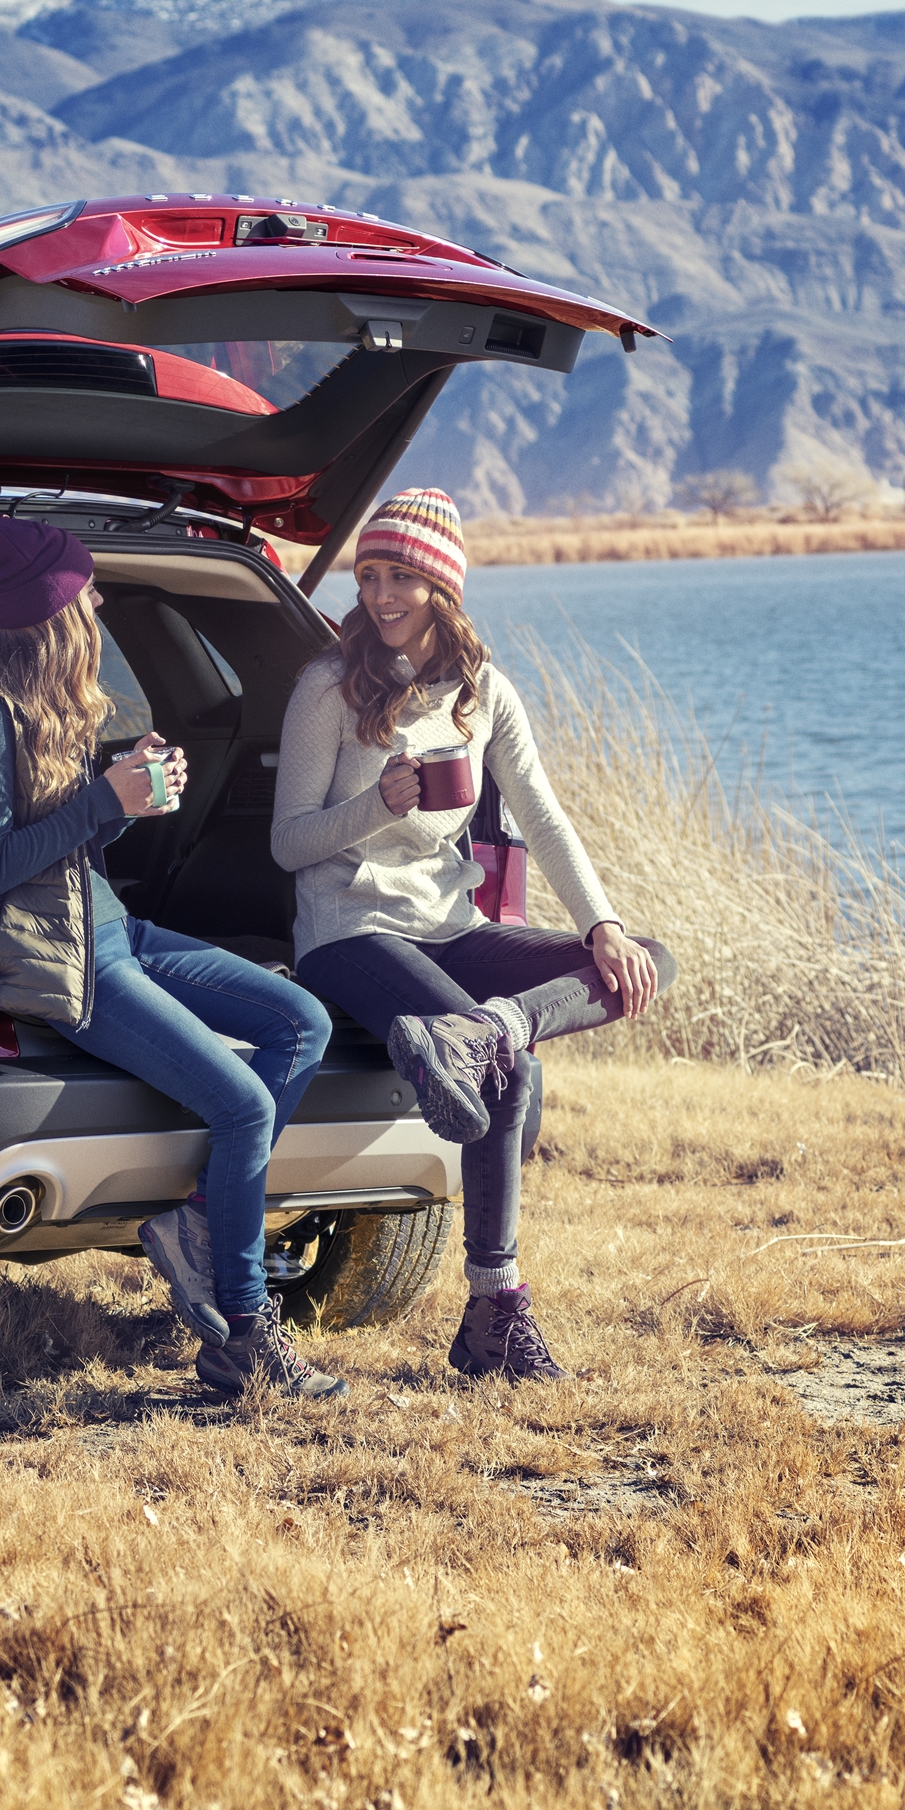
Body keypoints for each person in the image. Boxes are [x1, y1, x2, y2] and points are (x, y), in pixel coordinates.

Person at [0, 517, 345, 1400]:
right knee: (239, 1106)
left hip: (116, 928)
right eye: (87, 589)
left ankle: (198, 1218)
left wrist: (130, 797)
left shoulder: (51, 702)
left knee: (301, 1020)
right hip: (69, 964)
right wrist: (102, 799)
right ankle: (242, 1333)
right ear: (56, 610)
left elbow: (74, 845)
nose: (98, 600)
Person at [274, 488, 669, 1382]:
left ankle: (489, 1025)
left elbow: (544, 813)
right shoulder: (327, 687)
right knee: (510, 1069)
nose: (380, 595)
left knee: (646, 958)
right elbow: (288, 841)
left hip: (449, 926)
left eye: (402, 576)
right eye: (371, 574)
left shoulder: (483, 691)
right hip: (349, 930)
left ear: (442, 587)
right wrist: (377, 805)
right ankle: (497, 1312)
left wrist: (602, 923)